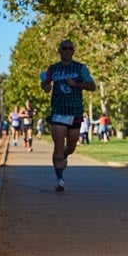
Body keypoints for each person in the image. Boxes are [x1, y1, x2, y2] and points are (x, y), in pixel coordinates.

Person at [40, 40, 96, 192]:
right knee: (58, 145)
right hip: (58, 112)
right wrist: (45, 86)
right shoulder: (53, 68)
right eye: (64, 48)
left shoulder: (80, 68)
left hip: (75, 112)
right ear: (59, 51)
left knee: (71, 147)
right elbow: (45, 83)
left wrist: (77, 84)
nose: (67, 51)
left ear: (73, 51)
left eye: (70, 49)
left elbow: (92, 86)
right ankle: (60, 180)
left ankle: (64, 154)